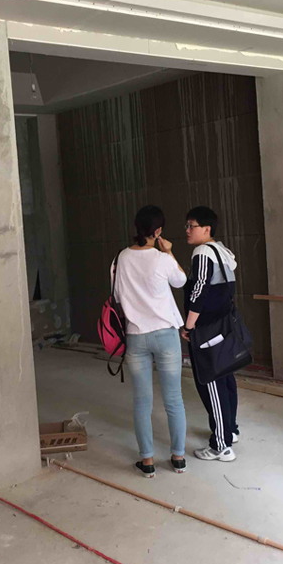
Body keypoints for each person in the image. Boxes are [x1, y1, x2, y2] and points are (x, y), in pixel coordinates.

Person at [112, 205, 188, 478]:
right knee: (173, 399)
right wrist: (169, 251)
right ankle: (178, 458)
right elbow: (181, 281)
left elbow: (117, 296)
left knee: (142, 402)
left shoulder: (121, 257)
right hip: (165, 335)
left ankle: (147, 462)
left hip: (136, 336)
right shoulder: (161, 258)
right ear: (158, 231)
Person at [180, 206, 240, 463]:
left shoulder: (202, 252)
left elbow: (198, 292)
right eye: (186, 225)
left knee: (211, 384)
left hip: (206, 329)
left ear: (206, 229)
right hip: (223, 327)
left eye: (191, 226)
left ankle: (221, 446)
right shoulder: (222, 251)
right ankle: (230, 430)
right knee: (225, 379)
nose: (187, 230)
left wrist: (189, 326)